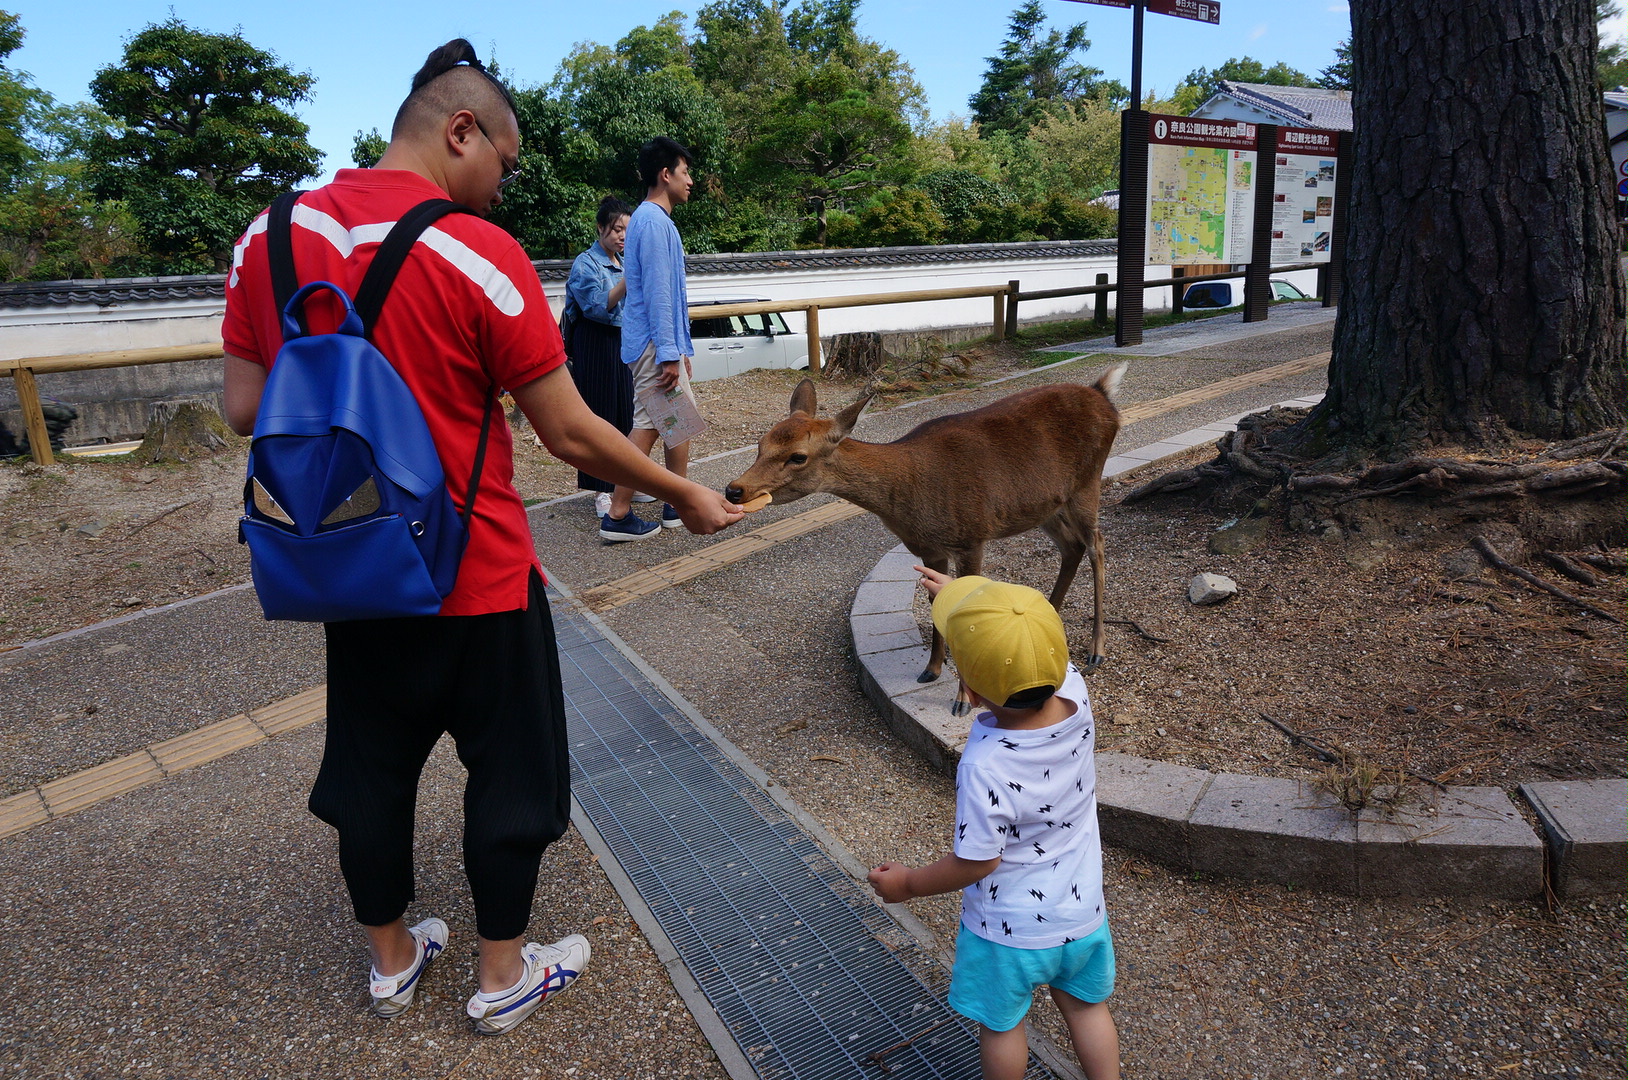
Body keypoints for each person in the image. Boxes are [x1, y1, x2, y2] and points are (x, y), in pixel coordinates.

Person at [220, 40, 744, 1035]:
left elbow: (247, 406)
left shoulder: (269, 235)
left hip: (348, 560)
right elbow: (569, 431)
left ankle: (390, 961)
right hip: (476, 566)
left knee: (368, 767)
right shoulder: (473, 250)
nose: (502, 188)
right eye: (502, 163)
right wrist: (680, 492)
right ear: (458, 130)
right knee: (514, 771)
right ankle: (502, 976)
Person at [868, 568, 1121, 1080]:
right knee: (1087, 1010)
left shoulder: (986, 765)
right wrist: (976, 606)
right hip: (1081, 917)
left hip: (1008, 932)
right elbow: (1029, 648)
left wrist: (909, 884)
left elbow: (978, 858)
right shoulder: (1076, 692)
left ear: (970, 686)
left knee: (1003, 1026)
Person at [600, 135, 702, 541]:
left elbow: (668, 295)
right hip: (652, 346)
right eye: (685, 171)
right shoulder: (654, 222)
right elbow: (660, 293)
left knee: (676, 421)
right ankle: (620, 514)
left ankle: (674, 504)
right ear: (666, 175)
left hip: (656, 343)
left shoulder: (651, 220)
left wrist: (680, 349)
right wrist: (668, 354)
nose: (690, 180)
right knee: (651, 424)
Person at [564, 195, 652, 519]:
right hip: (596, 342)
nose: (622, 237)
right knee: (600, 416)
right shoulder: (585, 263)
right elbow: (597, 306)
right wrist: (630, 279)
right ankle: (603, 489)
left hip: (624, 342)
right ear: (601, 227)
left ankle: (626, 481)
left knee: (627, 413)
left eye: (627, 231)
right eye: (616, 229)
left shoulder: (622, 261)